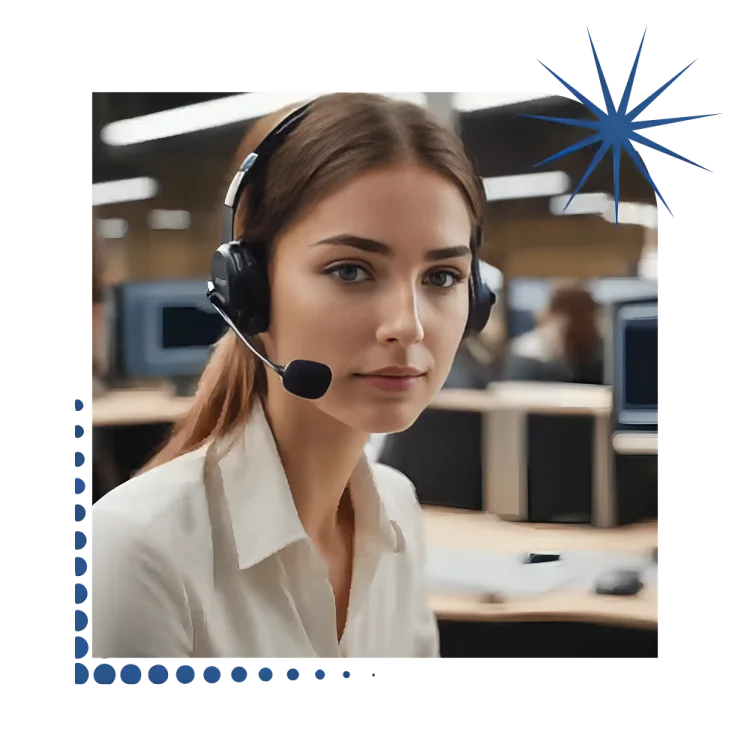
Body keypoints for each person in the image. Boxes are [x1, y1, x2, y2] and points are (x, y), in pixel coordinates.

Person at [89, 92, 493, 663]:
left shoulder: (396, 509)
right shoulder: (137, 547)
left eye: (443, 276)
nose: (408, 326)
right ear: (249, 295)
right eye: (350, 270)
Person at [503, 280, 604, 385]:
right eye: (568, 309)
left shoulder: (605, 352)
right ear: (553, 312)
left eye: (583, 310)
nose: (575, 319)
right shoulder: (525, 352)